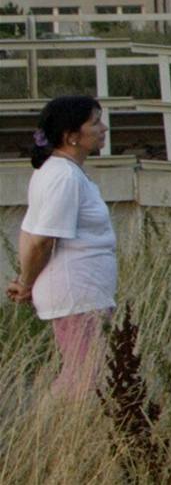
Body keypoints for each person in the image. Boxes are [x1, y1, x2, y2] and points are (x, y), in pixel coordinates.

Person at [8, 96, 115, 398]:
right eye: (95, 122)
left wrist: (25, 280)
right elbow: (41, 240)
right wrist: (26, 283)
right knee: (82, 379)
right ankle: (50, 437)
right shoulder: (63, 177)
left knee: (83, 374)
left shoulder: (60, 172)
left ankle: (60, 436)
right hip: (75, 295)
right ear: (71, 137)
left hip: (81, 294)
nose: (103, 128)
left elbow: (30, 232)